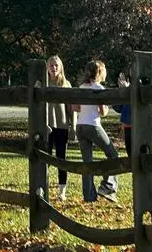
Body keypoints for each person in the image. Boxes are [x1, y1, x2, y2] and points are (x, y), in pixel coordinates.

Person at [73, 60, 120, 203]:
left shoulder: (82, 87)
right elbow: (102, 111)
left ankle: (89, 196)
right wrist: (105, 108)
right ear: (100, 72)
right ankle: (107, 186)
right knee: (113, 155)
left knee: (87, 162)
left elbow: (75, 108)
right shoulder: (99, 88)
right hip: (93, 125)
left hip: (80, 125)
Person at [46, 55, 74, 201]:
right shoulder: (43, 83)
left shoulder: (66, 84)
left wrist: (73, 127)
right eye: (51, 65)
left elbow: (71, 108)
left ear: (61, 67)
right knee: (45, 156)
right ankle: (41, 187)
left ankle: (62, 191)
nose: (54, 67)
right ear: (47, 67)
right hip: (46, 127)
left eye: (56, 65)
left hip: (62, 126)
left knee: (61, 158)